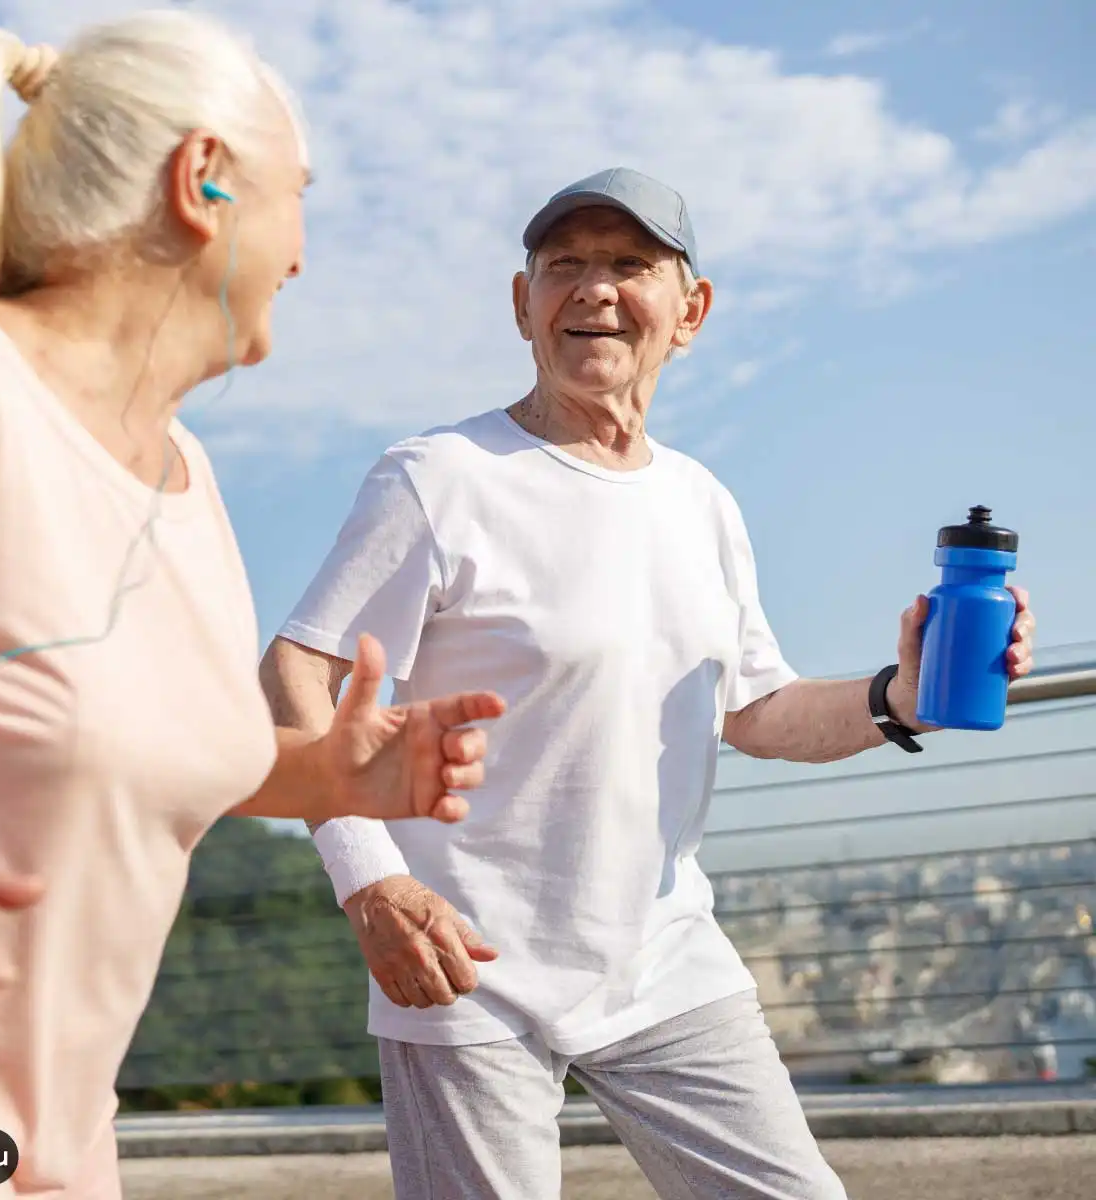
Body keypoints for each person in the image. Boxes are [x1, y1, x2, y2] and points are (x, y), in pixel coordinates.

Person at [262, 166, 1038, 1199]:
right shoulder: (439, 479)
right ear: (521, 302)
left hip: (663, 960)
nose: (594, 290)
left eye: (631, 265)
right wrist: (374, 884)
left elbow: (756, 712)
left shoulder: (702, 503)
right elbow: (297, 673)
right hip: (465, 966)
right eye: (564, 266)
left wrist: (900, 695)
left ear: (691, 310)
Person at [0, 12, 504, 1197]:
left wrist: (330, 776)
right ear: (204, 181)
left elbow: (118, 749)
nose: (304, 253)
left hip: (45, 1154)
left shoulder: (185, 477)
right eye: (301, 196)